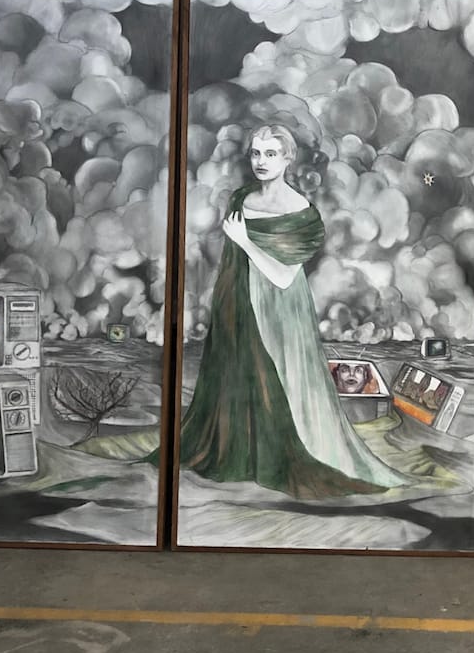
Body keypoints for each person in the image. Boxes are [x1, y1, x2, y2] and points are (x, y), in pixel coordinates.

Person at [165, 124, 408, 498]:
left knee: (283, 382)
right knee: (240, 378)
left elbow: (281, 277)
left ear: (288, 159)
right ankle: (242, 455)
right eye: (256, 153)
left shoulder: (301, 213)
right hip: (239, 302)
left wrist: (245, 241)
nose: (261, 161)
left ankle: (286, 456)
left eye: (270, 154)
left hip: (279, 311)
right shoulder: (241, 198)